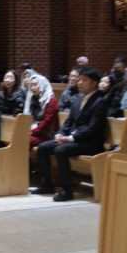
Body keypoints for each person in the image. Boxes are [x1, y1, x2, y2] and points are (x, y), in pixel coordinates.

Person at [31, 68, 108, 202]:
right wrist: (60, 134)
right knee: (43, 147)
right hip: (74, 139)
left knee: (60, 150)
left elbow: (93, 128)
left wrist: (70, 138)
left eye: (84, 80)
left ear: (94, 83)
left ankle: (66, 190)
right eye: (79, 79)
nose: (80, 83)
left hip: (90, 142)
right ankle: (47, 184)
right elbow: (69, 122)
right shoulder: (77, 99)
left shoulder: (100, 101)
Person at [26, 74, 59, 148]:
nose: (32, 88)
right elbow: (31, 118)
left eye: (35, 85)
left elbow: (47, 122)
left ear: (42, 85)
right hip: (37, 131)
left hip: (48, 134)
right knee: (19, 137)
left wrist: (32, 132)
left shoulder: (51, 100)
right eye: (31, 85)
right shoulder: (34, 99)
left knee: (25, 140)